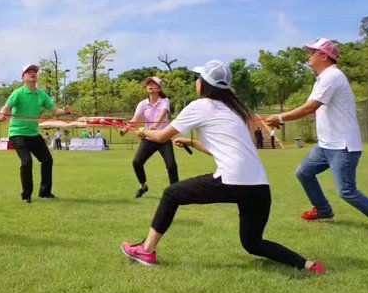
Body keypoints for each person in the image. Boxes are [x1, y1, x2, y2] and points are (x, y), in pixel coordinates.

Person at [121, 59, 326, 274]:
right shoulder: (236, 111)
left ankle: (146, 250)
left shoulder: (200, 106)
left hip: (232, 180)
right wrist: (191, 142)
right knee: (253, 243)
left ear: (203, 84)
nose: (197, 81)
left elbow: (161, 136)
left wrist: (143, 132)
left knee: (172, 194)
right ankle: (308, 265)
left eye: (199, 78)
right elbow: (222, 151)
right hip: (259, 186)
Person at [264, 38, 368, 233]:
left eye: (312, 53)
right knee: (304, 173)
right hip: (326, 145)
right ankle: (323, 210)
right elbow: (312, 107)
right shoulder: (323, 78)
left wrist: (280, 117)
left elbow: (310, 107)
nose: (309, 56)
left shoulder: (332, 76)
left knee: (346, 191)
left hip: (343, 146)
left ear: (324, 57)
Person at [0, 64, 72, 203]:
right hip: (18, 133)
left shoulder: (42, 95)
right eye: (29, 72)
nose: (33, 73)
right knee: (27, 162)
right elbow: (6, 107)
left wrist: (65, 111)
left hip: (33, 134)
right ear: (23, 78)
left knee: (47, 160)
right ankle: (26, 196)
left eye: (35, 72)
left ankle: (45, 193)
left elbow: (55, 111)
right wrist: (2, 114)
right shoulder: (18, 93)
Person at [123, 76, 178, 198]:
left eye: (153, 84)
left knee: (171, 166)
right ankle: (143, 186)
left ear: (159, 88)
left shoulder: (165, 101)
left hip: (163, 137)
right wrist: (125, 129)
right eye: (148, 84)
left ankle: (176, 191)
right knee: (137, 163)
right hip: (149, 138)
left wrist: (155, 126)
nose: (150, 86)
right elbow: (135, 119)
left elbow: (163, 114)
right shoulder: (142, 104)